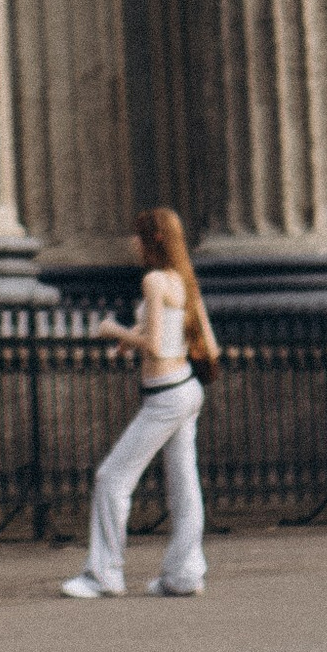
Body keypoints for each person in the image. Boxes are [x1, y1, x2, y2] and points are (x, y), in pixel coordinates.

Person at [61, 209, 220, 602]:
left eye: (137, 235)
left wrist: (113, 330)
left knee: (112, 477)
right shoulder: (183, 280)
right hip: (186, 388)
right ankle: (184, 574)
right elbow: (204, 344)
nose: (132, 242)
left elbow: (155, 345)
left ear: (153, 239)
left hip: (166, 395)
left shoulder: (153, 280)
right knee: (184, 485)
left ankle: (104, 575)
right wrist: (133, 335)